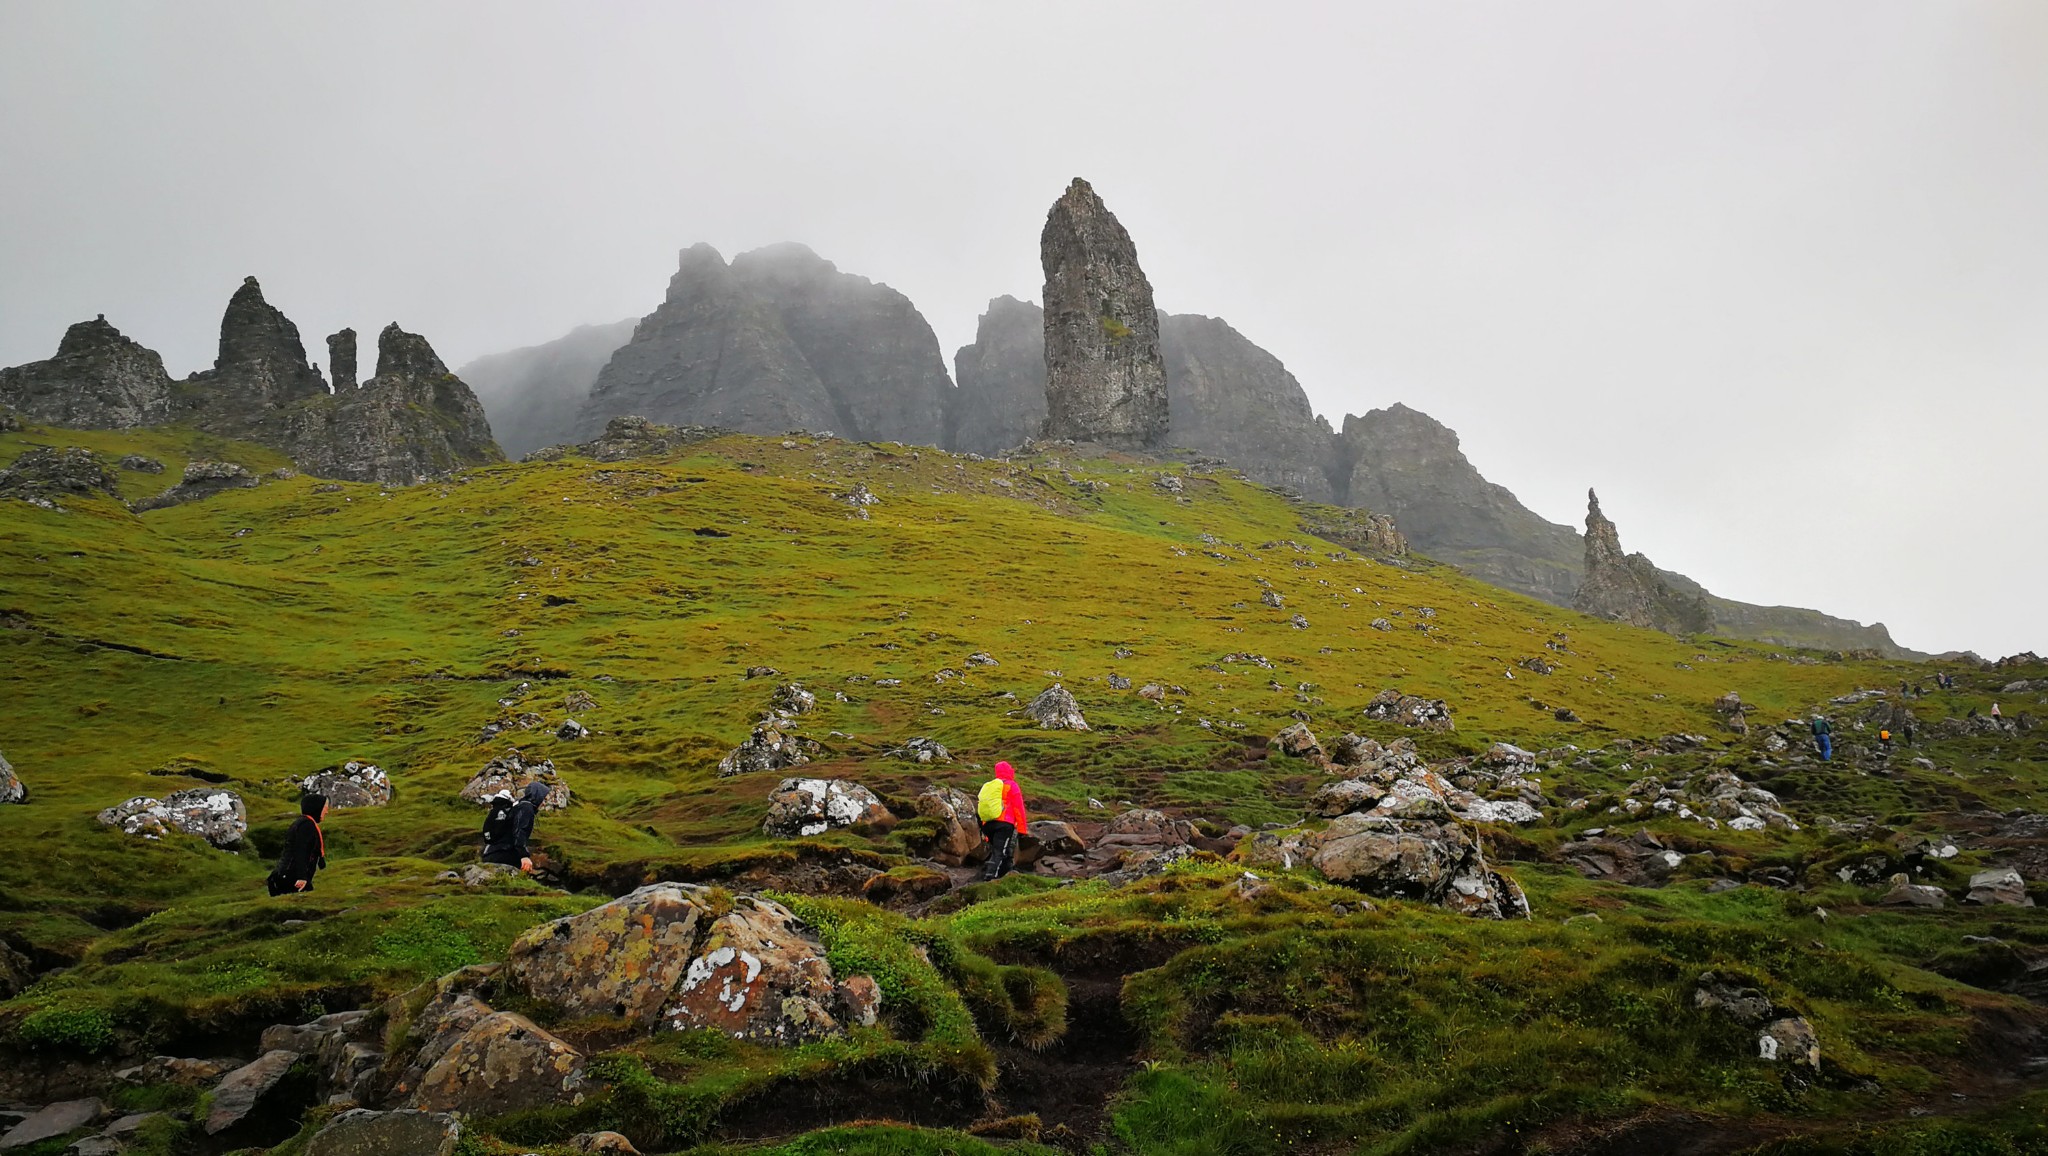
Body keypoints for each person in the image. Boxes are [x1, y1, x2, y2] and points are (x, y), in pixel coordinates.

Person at [976, 761, 1029, 882]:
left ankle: (1006, 874)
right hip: (1004, 824)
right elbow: (1018, 808)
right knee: (1000, 852)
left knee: (1000, 851)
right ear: (1009, 771)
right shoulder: (1011, 785)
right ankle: (991, 877)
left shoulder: (991, 786)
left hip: (988, 824)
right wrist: (1022, 829)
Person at [482, 780, 550, 873]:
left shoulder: (519, 805)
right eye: (543, 798)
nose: (544, 802)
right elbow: (519, 830)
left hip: (494, 852)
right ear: (537, 795)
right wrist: (524, 856)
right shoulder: (526, 808)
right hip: (505, 853)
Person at [268, 793, 328, 895]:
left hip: (285, 875)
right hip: (291, 877)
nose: (326, 811)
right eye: (325, 808)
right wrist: (301, 877)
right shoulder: (307, 825)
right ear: (317, 808)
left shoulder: (302, 822)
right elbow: (300, 851)